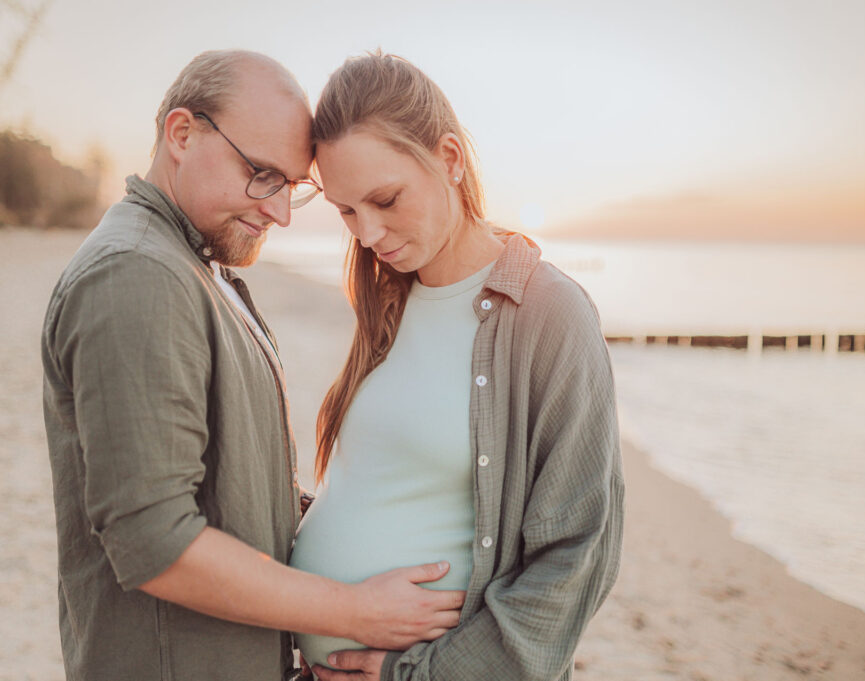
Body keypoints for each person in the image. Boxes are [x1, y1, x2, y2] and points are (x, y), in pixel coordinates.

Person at [41, 50, 465, 681]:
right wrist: (356, 611)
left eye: (292, 186)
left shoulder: (190, 265)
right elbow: (155, 543)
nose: (280, 212)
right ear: (182, 134)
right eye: (261, 174)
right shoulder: (136, 276)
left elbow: (225, 488)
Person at [288, 53, 624, 681]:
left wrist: (414, 674)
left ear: (448, 158)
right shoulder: (387, 297)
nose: (368, 233)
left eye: (386, 199)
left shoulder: (548, 313)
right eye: (346, 211)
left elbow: (575, 556)